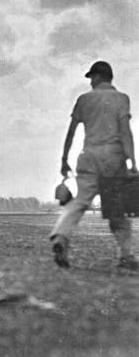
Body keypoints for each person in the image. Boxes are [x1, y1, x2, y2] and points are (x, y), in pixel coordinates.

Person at [50, 61, 138, 270]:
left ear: (97, 77)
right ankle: (125, 255)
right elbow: (125, 131)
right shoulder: (121, 99)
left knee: (80, 201)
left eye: (91, 77)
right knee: (118, 208)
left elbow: (71, 131)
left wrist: (64, 159)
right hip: (113, 158)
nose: (90, 81)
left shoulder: (84, 100)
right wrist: (133, 161)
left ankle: (61, 236)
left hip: (89, 155)